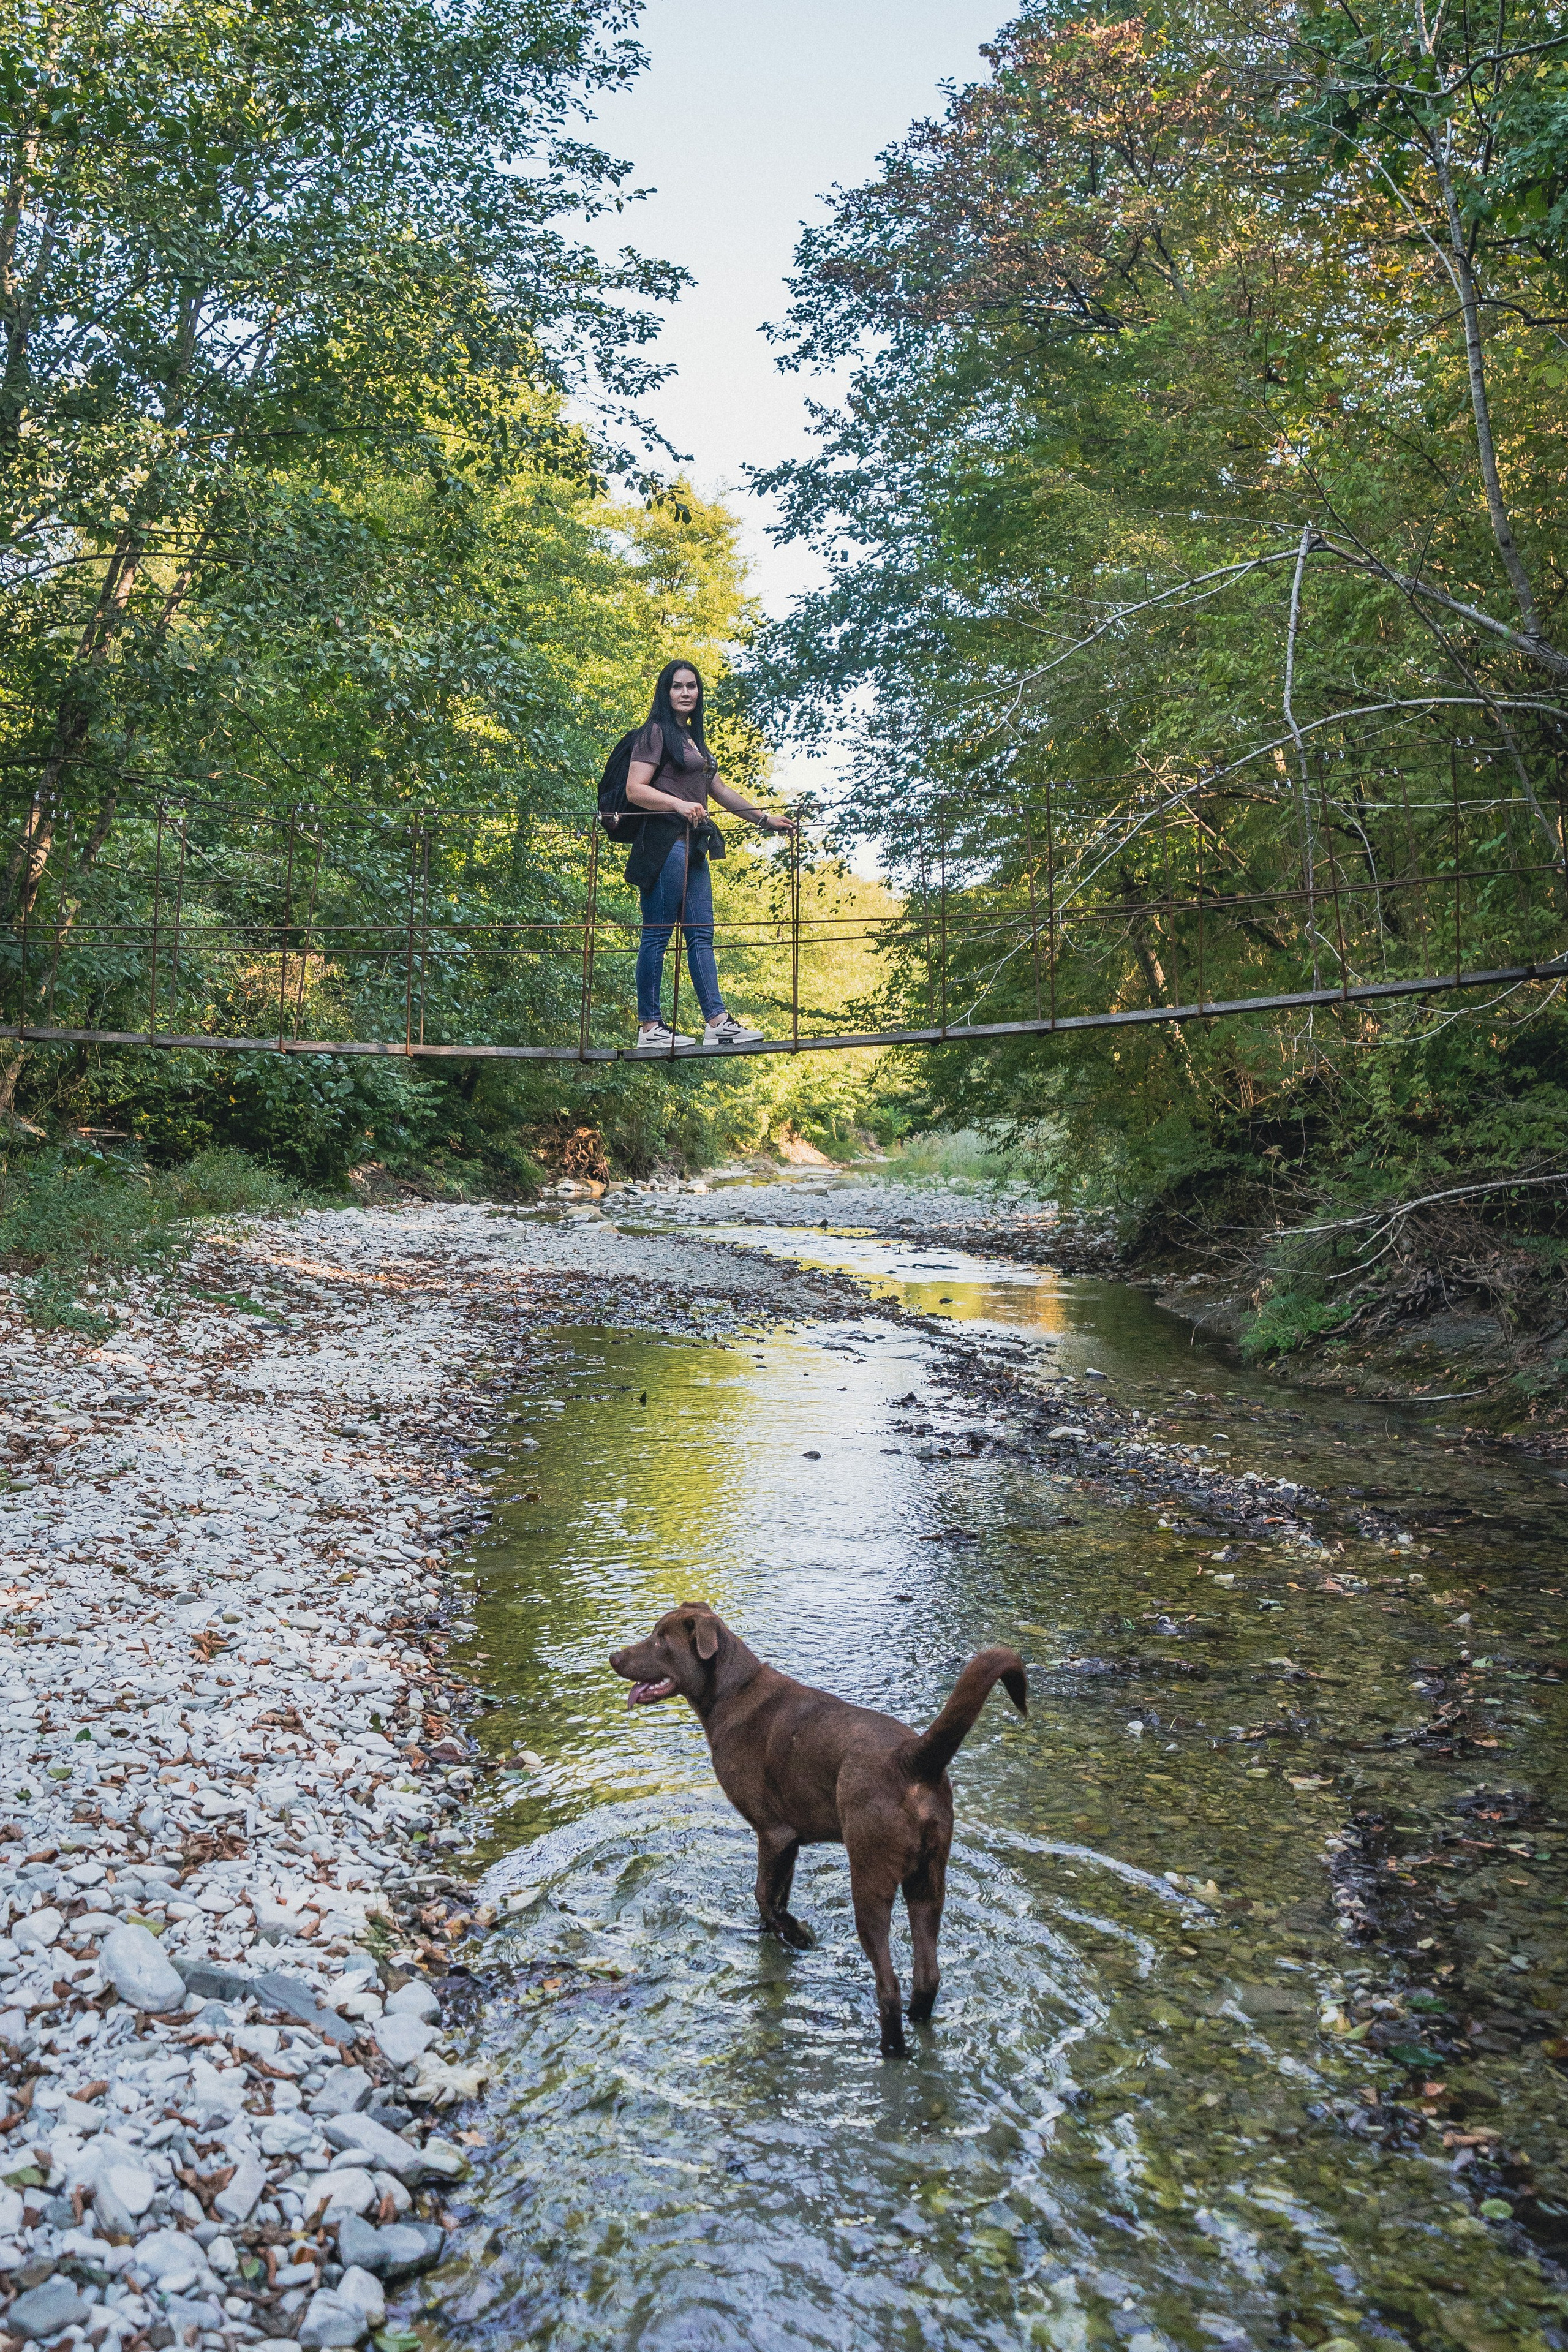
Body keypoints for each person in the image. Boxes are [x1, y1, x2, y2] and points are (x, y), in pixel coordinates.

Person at [624, 659, 795, 1051]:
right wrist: (678, 805)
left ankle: (717, 1023)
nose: (686, 693)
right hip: (664, 843)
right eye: (678, 686)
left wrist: (764, 819)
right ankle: (650, 1027)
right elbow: (635, 790)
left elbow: (719, 790)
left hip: (694, 844)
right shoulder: (655, 733)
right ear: (665, 692)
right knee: (657, 935)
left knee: (701, 934)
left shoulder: (693, 740)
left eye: (692, 687)